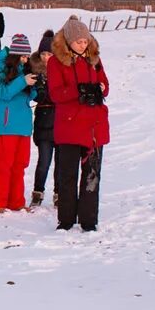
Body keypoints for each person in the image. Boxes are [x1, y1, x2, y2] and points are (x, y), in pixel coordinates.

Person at [47, 15, 109, 232]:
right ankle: (65, 220)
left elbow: (105, 84)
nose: (83, 45)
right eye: (78, 42)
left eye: (85, 41)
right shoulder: (56, 62)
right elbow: (55, 93)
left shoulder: (94, 59)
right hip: (69, 126)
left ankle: (89, 220)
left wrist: (99, 89)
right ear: (69, 42)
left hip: (94, 127)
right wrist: (78, 91)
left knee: (92, 176)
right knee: (67, 175)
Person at [0, 33, 37, 213]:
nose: (25, 60)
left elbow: (29, 95)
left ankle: (16, 202)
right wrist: (22, 81)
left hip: (23, 124)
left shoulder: (23, 68)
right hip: (5, 125)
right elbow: (2, 93)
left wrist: (35, 86)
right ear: (14, 55)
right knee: (4, 164)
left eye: (27, 56)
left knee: (20, 164)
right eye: (23, 56)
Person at [29, 30, 57, 208]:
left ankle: (59, 194)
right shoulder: (35, 71)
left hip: (61, 122)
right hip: (44, 123)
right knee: (44, 161)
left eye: (50, 54)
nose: (46, 57)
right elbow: (37, 96)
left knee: (61, 164)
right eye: (44, 54)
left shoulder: (62, 70)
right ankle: (38, 192)